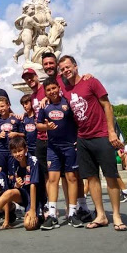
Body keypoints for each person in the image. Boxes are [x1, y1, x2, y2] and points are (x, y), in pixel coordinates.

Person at [58, 55, 127, 231]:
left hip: (101, 134)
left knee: (110, 176)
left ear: (75, 66)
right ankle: (101, 215)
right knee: (92, 178)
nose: (66, 70)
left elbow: (107, 106)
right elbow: (48, 82)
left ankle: (117, 215)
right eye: (63, 69)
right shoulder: (64, 88)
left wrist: (111, 132)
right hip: (83, 138)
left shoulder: (91, 82)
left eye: (68, 67)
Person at [37, 78, 83, 229]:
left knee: (72, 178)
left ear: (58, 87)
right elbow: (38, 125)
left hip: (69, 146)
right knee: (52, 179)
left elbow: (78, 121)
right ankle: (52, 215)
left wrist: (77, 138)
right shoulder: (45, 107)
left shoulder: (67, 103)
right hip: (53, 147)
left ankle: (72, 213)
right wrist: (46, 127)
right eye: (48, 90)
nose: (52, 91)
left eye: (53, 88)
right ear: (46, 92)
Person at [0, 96, 24, 180]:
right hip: (0, 152)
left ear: (8, 105)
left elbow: (24, 134)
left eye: (2, 106)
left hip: (13, 152)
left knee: (13, 176)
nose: (1, 109)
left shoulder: (16, 120)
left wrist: (16, 134)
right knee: (0, 176)